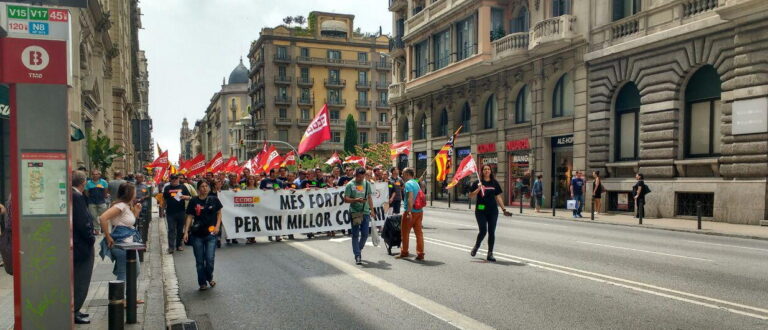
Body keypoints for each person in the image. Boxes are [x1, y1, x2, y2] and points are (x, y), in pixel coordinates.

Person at [98, 183, 143, 292]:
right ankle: (120, 299)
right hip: (121, 243)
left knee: (134, 271)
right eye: (134, 191)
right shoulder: (120, 206)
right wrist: (108, 237)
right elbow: (103, 218)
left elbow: (126, 223)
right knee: (124, 273)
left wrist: (136, 212)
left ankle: (129, 297)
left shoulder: (126, 206)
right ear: (129, 193)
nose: (136, 193)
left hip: (129, 243)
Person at [183, 180, 222, 291]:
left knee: (209, 259)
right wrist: (186, 231)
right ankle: (202, 283)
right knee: (200, 261)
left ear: (209, 188)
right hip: (197, 235)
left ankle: (209, 277)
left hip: (211, 234)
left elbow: (219, 213)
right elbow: (190, 216)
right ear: (198, 188)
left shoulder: (214, 200)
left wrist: (217, 226)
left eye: (206, 186)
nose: (204, 188)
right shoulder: (194, 200)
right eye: (202, 186)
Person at [468, 165, 509, 262]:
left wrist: (504, 209)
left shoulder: (494, 183)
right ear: (481, 171)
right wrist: (478, 189)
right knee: (483, 231)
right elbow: (470, 195)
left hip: (493, 211)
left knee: (492, 232)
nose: (487, 171)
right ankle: (476, 246)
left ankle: (490, 253)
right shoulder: (477, 182)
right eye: (485, 169)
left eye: (488, 169)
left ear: (491, 171)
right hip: (481, 210)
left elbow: (498, 197)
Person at [71, 171, 96, 324]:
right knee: (81, 279)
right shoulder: (77, 196)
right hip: (81, 245)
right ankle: (74, 311)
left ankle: (76, 309)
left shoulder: (72, 195)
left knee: (78, 278)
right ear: (83, 182)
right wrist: (91, 238)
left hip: (77, 243)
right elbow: (82, 221)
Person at [343, 167, 375, 265]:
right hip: (355, 212)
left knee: (365, 234)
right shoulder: (350, 185)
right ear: (355, 175)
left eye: (363, 177)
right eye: (359, 177)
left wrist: (372, 210)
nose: (361, 179)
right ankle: (357, 255)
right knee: (355, 234)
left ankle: (358, 249)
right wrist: (356, 200)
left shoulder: (367, 183)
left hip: (365, 212)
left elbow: (369, 197)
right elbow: (346, 199)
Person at [400, 168, 425, 260]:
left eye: (403, 173)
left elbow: (410, 198)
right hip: (419, 211)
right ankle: (420, 253)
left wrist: (409, 212)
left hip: (410, 211)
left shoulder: (408, 184)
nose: (401, 175)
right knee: (419, 233)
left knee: (405, 233)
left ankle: (404, 252)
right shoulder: (416, 183)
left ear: (407, 174)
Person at [163, 175, 191, 254]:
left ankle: (179, 245)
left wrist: (184, 197)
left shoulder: (183, 187)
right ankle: (171, 247)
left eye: (176, 178)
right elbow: (164, 199)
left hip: (181, 211)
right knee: (171, 229)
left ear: (178, 179)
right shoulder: (167, 188)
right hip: (170, 212)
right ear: (170, 180)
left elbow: (189, 197)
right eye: (173, 179)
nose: (175, 180)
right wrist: (162, 210)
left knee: (179, 229)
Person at [85, 170, 110, 234]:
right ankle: (96, 229)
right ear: (92, 175)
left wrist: (103, 197)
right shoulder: (88, 183)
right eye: (93, 174)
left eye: (96, 174)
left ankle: (103, 227)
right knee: (93, 216)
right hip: (91, 202)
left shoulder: (103, 182)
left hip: (101, 201)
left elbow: (105, 191)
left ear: (99, 175)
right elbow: (86, 192)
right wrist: (90, 197)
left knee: (103, 216)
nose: (95, 175)